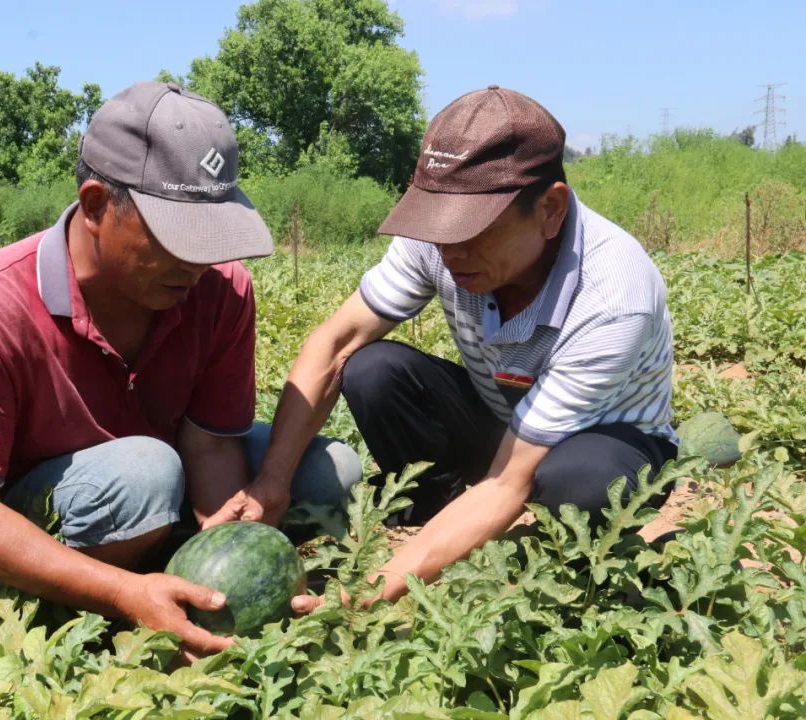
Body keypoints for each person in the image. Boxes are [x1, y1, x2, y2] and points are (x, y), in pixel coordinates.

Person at [0, 80, 361, 658]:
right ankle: (91, 611)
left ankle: (170, 579)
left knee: (333, 471)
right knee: (144, 472)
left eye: (213, 237)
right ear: (98, 205)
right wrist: (126, 594)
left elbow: (210, 444)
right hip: (55, 512)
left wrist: (232, 575)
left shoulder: (220, 288)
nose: (201, 262)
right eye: (179, 237)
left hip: (166, 476)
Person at [239, 85, 678, 612]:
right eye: (439, 228)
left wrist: (369, 590)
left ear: (550, 210)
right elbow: (334, 344)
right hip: (503, 418)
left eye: (473, 231)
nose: (450, 251)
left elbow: (508, 479)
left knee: (574, 480)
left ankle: (575, 564)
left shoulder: (613, 293)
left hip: (607, 442)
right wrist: (272, 482)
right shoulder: (440, 239)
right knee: (373, 369)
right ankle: (442, 515)